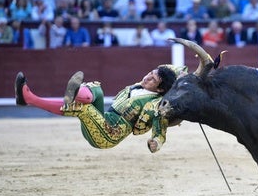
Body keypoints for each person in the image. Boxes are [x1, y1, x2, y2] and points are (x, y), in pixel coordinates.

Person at [14, 64, 187, 152]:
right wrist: (184, 74)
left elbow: (160, 129)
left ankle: (29, 99)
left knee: (84, 109)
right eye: (150, 73)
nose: (147, 77)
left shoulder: (157, 105)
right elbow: (173, 70)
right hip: (104, 118)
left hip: (109, 135)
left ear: (159, 89)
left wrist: (156, 143)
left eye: (152, 80)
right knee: (96, 88)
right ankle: (79, 94)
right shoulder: (139, 86)